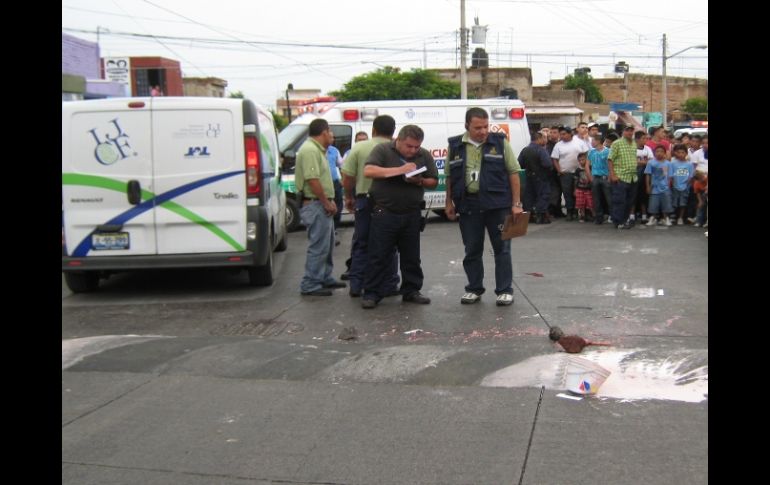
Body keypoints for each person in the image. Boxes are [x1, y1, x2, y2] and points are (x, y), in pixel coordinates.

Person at [444, 107, 523, 306]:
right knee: (472, 249)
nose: (483, 131)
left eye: (486, 126)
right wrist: (448, 202)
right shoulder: (455, 146)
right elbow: (449, 177)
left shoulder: (500, 143)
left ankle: (504, 290)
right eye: (478, 127)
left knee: (502, 249)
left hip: (499, 206)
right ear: (466, 126)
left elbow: (514, 173)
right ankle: (474, 288)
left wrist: (516, 204)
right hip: (468, 205)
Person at [361, 125, 438, 309]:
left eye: (416, 147)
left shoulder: (424, 155)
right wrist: (400, 170)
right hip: (384, 212)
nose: (413, 150)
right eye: (409, 146)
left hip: (411, 213)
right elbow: (369, 171)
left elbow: (433, 181)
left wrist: (419, 180)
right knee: (378, 255)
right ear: (399, 140)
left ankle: (411, 290)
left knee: (411, 256)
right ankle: (372, 293)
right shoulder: (383, 150)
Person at [341, 115, 400, 298]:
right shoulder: (396, 149)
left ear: (373, 129)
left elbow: (348, 178)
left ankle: (357, 285)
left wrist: (349, 197)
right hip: (390, 203)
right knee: (390, 244)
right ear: (393, 131)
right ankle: (389, 284)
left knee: (361, 242)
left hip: (364, 200)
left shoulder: (359, 147)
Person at [295, 119, 347, 296]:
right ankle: (311, 283)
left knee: (327, 243)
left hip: (320, 203)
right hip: (316, 204)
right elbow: (312, 179)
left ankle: (324, 277)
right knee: (319, 246)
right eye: (330, 131)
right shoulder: (310, 150)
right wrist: (326, 202)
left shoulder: (318, 150)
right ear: (324, 132)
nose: (332, 135)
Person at [551, 125, 586, 221]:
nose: (562, 136)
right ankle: (570, 211)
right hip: (565, 173)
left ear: (570, 134)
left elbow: (586, 155)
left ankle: (580, 211)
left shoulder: (579, 142)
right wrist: (559, 170)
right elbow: (555, 159)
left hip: (580, 172)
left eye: (564, 134)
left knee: (579, 192)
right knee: (567, 193)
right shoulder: (558, 145)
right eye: (561, 134)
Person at [608, 125, 639, 229]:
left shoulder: (634, 143)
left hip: (632, 177)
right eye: (627, 130)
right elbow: (610, 159)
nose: (630, 132)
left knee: (630, 201)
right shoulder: (616, 143)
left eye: (631, 130)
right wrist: (612, 175)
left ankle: (624, 220)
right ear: (623, 131)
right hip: (620, 176)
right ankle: (618, 221)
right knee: (619, 200)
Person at [519, 131, 553, 224]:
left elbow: (519, 163)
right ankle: (540, 215)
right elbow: (547, 164)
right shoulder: (541, 150)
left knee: (529, 196)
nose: (544, 140)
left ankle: (529, 216)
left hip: (529, 176)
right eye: (543, 138)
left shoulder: (525, 150)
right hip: (541, 176)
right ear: (538, 139)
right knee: (543, 195)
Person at [644, 145, 673, 226]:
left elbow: (670, 176)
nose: (659, 153)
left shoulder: (668, 163)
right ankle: (653, 218)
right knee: (653, 203)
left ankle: (666, 218)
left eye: (661, 152)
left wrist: (669, 186)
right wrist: (648, 186)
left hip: (665, 187)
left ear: (665, 153)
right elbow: (648, 175)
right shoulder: (651, 163)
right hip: (654, 187)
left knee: (666, 203)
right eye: (657, 151)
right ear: (654, 153)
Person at [588, 133, 611, 224]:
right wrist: (590, 177)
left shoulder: (608, 151)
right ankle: (599, 217)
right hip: (595, 177)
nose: (592, 142)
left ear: (598, 141)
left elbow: (610, 165)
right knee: (596, 199)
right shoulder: (591, 152)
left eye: (593, 140)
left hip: (605, 177)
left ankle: (612, 215)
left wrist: (609, 176)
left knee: (609, 198)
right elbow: (587, 165)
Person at [326, 132, 344, 244]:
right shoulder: (317, 151)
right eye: (331, 137)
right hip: (324, 183)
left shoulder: (334, 150)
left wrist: (342, 180)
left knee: (338, 206)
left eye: (333, 137)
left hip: (335, 182)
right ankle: (328, 231)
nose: (332, 139)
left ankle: (334, 228)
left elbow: (341, 165)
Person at [573, 152, 593, 222]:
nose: (581, 161)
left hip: (588, 189)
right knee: (581, 204)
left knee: (590, 203)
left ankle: (593, 215)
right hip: (580, 189)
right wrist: (575, 189)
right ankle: (582, 216)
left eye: (583, 160)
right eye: (580, 160)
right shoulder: (578, 170)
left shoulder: (590, 168)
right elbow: (575, 180)